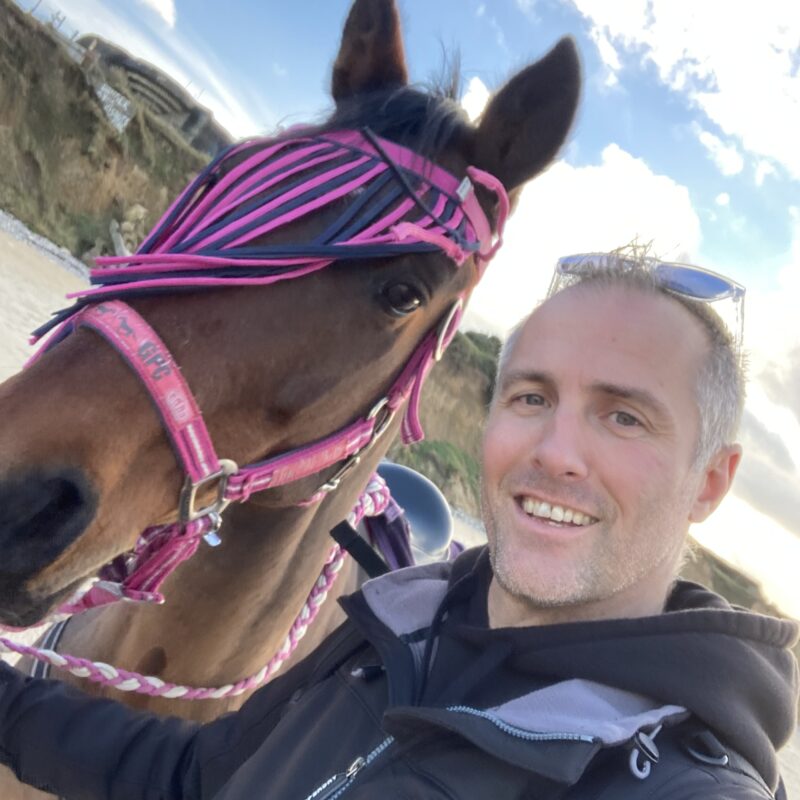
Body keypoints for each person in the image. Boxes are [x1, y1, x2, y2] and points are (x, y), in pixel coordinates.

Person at [0, 251, 796, 799]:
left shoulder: (687, 787)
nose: (557, 453)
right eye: (530, 397)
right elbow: (202, 779)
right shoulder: (393, 628)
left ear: (711, 483)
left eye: (623, 417)